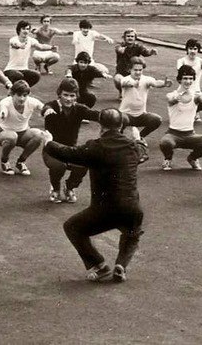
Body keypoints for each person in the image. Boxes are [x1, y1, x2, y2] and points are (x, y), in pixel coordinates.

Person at [40, 109, 146, 283]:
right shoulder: (133, 147)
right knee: (132, 233)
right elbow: (143, 151)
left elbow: (68, 153)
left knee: (72, 227)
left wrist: (49, 143)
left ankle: (99, 265)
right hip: (132, 208)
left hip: (104, 210)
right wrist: (138, 138)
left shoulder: (95, 147)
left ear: (100, 125)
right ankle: (121, 265)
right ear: (120, 126)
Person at [41, 78, 102, 203]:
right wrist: (46, 110)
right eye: (65, 95)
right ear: (60, 94)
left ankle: (69, 187)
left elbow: (96, 114)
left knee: (84, 163)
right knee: (59, 166)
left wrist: (115, 116)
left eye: (72, 95)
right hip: (51, 150)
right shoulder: (52, 106)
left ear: (76, 96)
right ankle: (55, 188)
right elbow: (46, 107)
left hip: (69, 150)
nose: (68, 99)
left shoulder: (79, 109)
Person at [157, 65, 202, 171]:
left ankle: (192, 158)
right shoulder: (171, 94)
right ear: (179, 79)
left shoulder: (196, 95)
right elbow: (171, 100)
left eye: (190, 78)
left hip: (190, 135)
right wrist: (178, 98)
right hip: (173, 134)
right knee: (165, 143)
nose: (188, 81)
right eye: (185, 78)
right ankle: (168, 159)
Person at [113, 57, 170, 158]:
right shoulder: (126, 79)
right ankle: (118, 140)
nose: (138, 72)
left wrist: (164, 84)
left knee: (156, 119)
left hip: (141, 115)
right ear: (129, 69)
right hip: (126, 114)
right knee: (121, 119)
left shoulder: (146, 79)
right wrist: (133, 83)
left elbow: (156, 83)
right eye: (135, 70)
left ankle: (141, 137)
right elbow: (125, 83)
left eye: (140, 70)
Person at [0, 80, 45, 176]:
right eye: (19, 95)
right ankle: (4, 161)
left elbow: (44, 107)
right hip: (5, 133)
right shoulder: (5, 102)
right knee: (12, 136)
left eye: (25, 95)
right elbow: (3, 110)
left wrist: (49, 110)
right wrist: (3, 114)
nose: (22, 98)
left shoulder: (31, 101)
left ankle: (21, 162)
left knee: (39, 135)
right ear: (12, 94)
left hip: (23, 133)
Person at [4, 21, 53, 89]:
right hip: (10, 69)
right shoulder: (14, 39)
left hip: (24, 69)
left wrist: (51, 47)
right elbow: (14, 44)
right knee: (18, 76)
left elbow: (40, 46)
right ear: (19, 30)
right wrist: (20, 45)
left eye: (27, 29)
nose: (26, 31)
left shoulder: (31, 40)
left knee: (36, 75)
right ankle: (12, 89)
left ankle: (23, 90)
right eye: (23, 29)